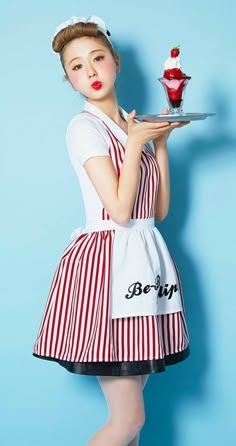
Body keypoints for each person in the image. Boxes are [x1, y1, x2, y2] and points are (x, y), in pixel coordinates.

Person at [33, 15, 190, 446]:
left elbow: (155, 210)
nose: (91, 72)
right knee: (128, 420)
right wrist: (138, 141)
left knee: (133, 411)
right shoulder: (84, 128)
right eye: (77, 67)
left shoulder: (126, 123)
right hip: (107, 268)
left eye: (97, 58)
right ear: (69, 80)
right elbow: (119, 211)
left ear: (116, 61)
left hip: (142, 264)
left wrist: (158, 143)